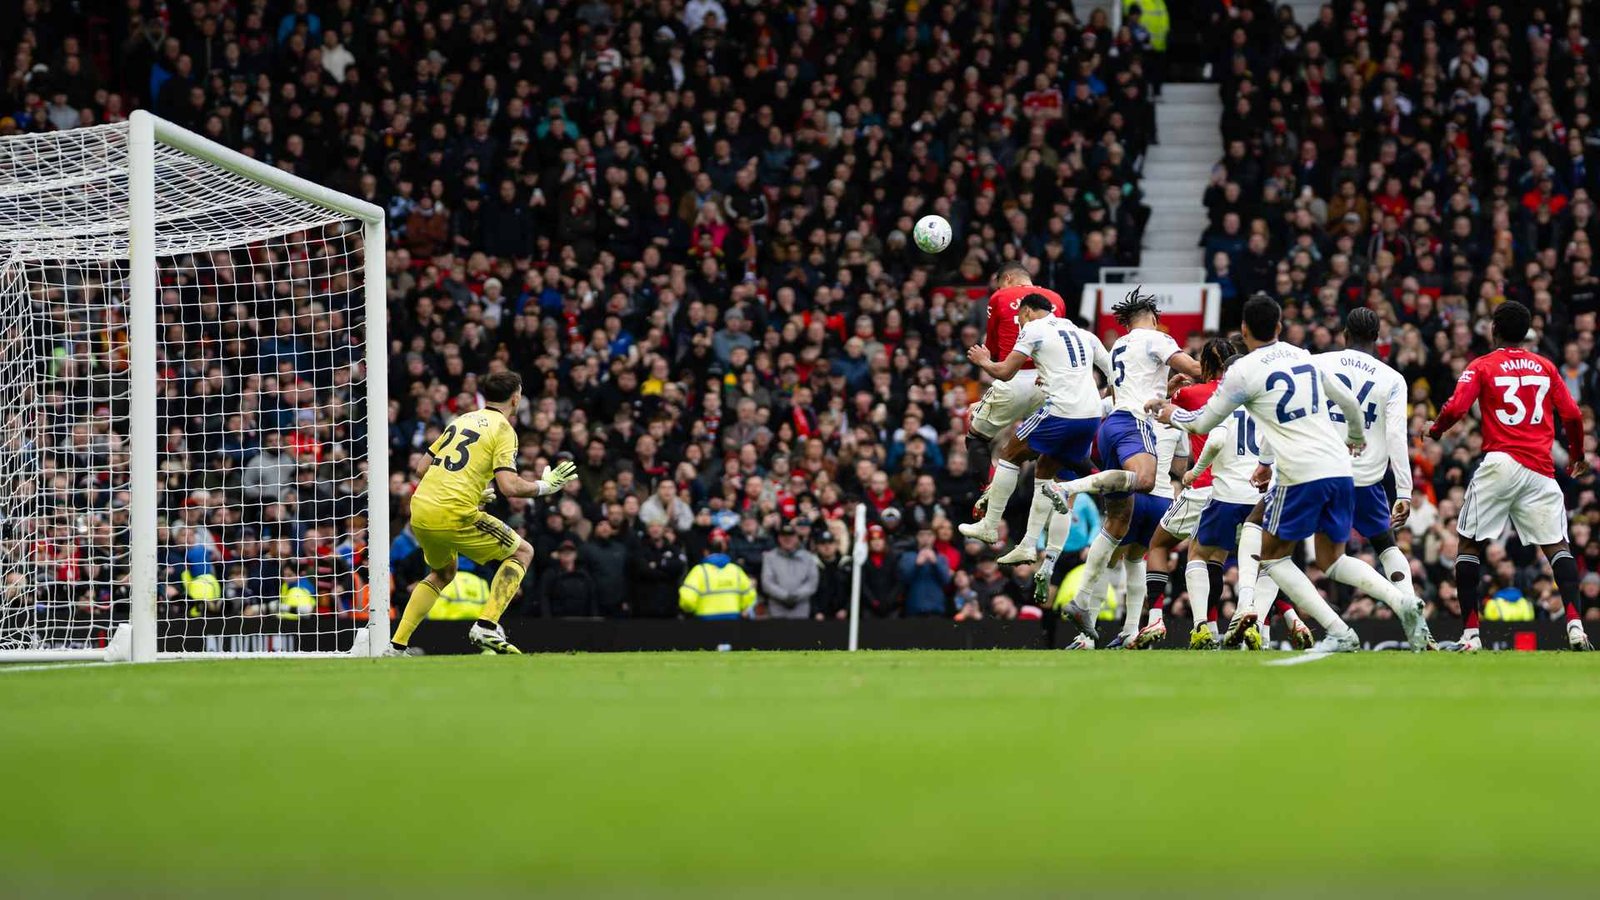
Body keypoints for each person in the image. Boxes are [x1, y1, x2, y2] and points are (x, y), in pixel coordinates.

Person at [1151, 294, 1428, 653]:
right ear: (1280, 327)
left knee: (1270, 557)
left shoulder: (1243, 370)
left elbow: (1203, 421)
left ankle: (1338, 629)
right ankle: (1401, 600)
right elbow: (1346, 402)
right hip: (1341, 469)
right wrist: (1356, 438)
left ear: (1244, 329)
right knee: (1332, 559)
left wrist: (1168, 411)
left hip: (1299, 474)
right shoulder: (1304, 357)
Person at [1426, 300, 1592, 652]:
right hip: (1541, 469)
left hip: (1501, 462)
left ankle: (1471, 635)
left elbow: (1456, 407)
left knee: (1469, 544)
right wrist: (1577, 455)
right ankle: (1576, 627)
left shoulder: (1483, 365)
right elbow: (1574, 415)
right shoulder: (1545, 366)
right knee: (1557, 547)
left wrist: (1437, 430)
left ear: (1493, 330)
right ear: (1526, 333)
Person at [389, 370, 579, 655]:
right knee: (522, 552)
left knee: (442, 573)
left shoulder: (462, 419)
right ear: (516, 399)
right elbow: (509, 486)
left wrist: (474, 490)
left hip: (421, 510)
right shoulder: (503, 429)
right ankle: (487, 625)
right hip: (454, 512)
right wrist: (545, 486)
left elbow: (421, 468)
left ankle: (396, 645)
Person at [1049, 287, 1201, 636]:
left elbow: (1129, 388)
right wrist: (1223, 372)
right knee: (1145, 481)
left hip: (1113, 425)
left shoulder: (1120, 344)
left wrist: (1165, 386)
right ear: (1154, 317)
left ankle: (1083, 600)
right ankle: (1071, 486)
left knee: (1117, 524)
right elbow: (1194, 366)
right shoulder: (1156, 338)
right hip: (1135, 424)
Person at [962, 293, 1110, 564]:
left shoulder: (1033, 328)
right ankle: (1029, 544)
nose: (1018, 323)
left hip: (1060, 412)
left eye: (1019, 317)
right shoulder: (1083, 333)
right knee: (1044, 470)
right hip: (1091, 415)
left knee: (1010, 453)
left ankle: (990, 525)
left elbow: (1006, 372)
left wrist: (983, 360)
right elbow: (1113, 373)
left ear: (1027, 311)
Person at [1132, 337, 1238, 648]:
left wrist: (1168, 390)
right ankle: (1214, 626)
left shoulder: (1190, 394)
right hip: (1234, 490)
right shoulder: (1246, 396)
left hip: (1201, 486)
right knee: (1215, 558)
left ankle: (1155, 617)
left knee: (1160, 544)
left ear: (1205, 364)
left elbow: (1153, 407)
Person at [678, 529, 757, 620]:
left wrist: (689, 610)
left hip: (705, 622)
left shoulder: (699, 571)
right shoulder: (736, 570)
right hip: (733, 621)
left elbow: (687, 600)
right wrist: (741, 608)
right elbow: (750, 596)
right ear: (723, 549)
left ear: (706, 552)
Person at [761, 523, 820, 619]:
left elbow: (812, 582)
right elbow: (767, 582)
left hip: (801, 609)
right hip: (777, 609)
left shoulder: (808, 557)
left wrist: (796, 596)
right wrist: (785, 596)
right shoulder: (769, 557)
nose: (787, 539)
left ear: (796, 538)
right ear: (779, 538)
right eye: (784, 536)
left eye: (791, 536)